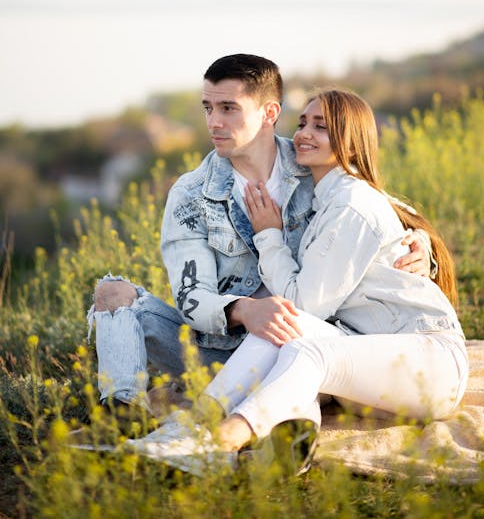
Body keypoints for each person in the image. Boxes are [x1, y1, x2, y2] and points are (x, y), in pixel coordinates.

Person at [124, 88, 467, 475]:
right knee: (280, 322)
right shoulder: (328, 196)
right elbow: (401, 215)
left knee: (304, 343)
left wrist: (268, 235)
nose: (304, 133)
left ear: (351, 142)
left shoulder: (352, 203)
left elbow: (310, 305)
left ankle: (220, 441)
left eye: (321, 127)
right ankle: (189, 428)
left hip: (428, 358)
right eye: (303, 122)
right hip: (370, 357)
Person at [88, 56, 432, 416]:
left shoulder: (314, 162)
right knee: (112, 293)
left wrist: (420, 246)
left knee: (294, 359)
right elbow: (192, 298)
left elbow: (376, 209)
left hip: (309, 346)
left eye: (228, 108)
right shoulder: (191, 194)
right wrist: (243, 310)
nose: (213, 122)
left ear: (269, 113)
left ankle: (274, 428)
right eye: (208, 108)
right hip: (219, 353)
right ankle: (121, 413)